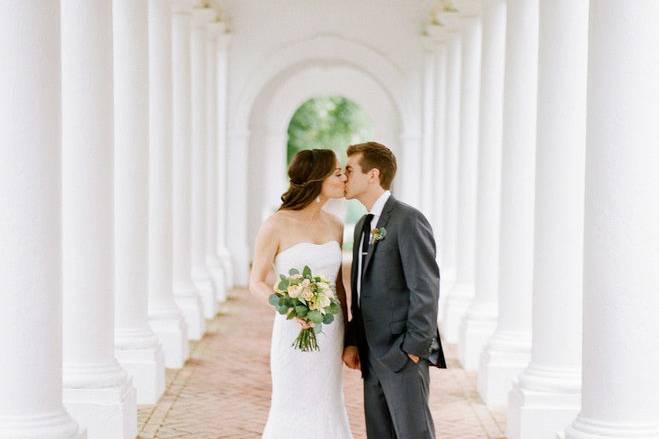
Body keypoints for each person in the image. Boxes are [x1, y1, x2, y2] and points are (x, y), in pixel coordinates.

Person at [342, 141, 446, 439]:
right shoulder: (363, 225)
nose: (343, 177)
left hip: (402, 355)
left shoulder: (408, 219)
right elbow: (361, 292)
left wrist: (412, 350)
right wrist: (352, 341)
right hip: (370, 356)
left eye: (349, 170)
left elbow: (425, 289)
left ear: (372, 174)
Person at [249, 148, 353, 439]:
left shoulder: (335, 225)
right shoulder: (275, 225)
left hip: (331, 332)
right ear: (316, 178)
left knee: (328, 403)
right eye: (336, 173)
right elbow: (256, 281)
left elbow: (339, 288)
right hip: (293, 330)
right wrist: (288, 307)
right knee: (292, 402)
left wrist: (349, 338)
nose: (344, 176)